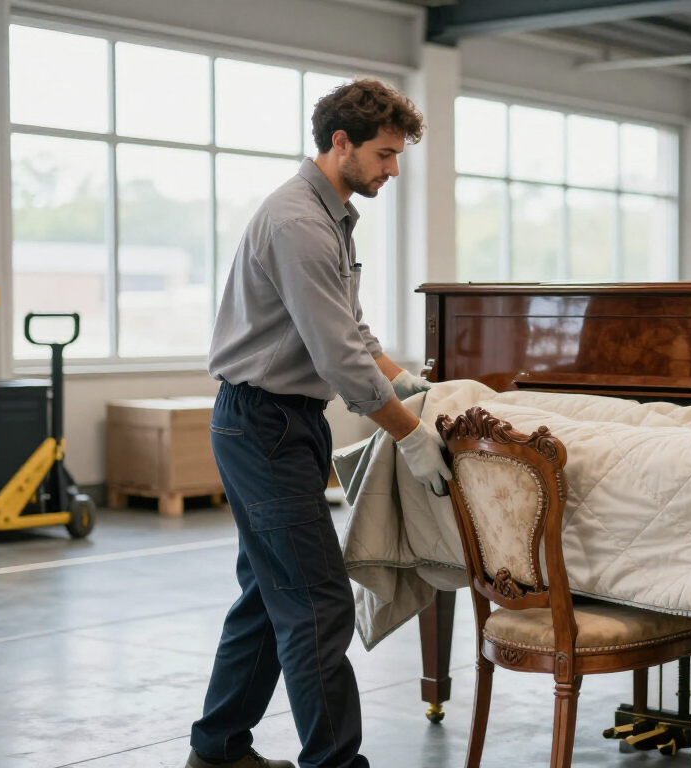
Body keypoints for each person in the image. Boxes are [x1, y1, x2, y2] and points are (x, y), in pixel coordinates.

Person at [186, 79, 449, 768]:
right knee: (316, 605)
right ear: (342, 144)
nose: (392, 170)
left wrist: (403, 381)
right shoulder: (300, 223)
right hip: (264, 426)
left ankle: (217, 751)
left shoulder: (329, 215)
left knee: (265, 598)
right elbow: (338, 358)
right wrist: (410, 434)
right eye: (385, 155)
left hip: (284, 425)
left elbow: (352, 332)